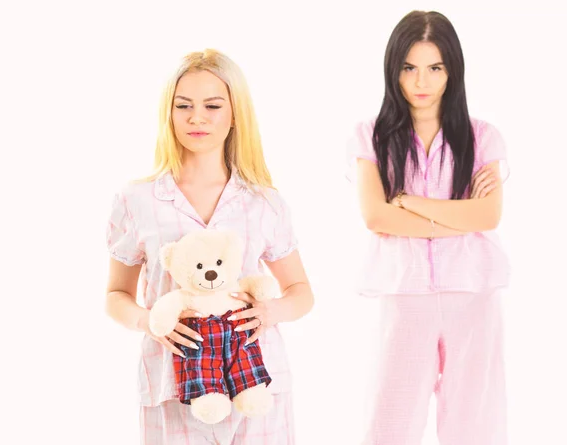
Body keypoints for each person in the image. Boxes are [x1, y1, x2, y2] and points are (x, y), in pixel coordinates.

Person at [105, 48, 313, 445]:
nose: (196, 117)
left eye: (212, 105)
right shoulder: (137, 200)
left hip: (257, 386)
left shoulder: (263, 202)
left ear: (235, 115)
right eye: (183, 106)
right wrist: (147, 320)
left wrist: (269, 312)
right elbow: (116, 295)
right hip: (173, 387)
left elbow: (302, 293)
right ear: (169, 113)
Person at [346, 11, 510, 445]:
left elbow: (488, 217)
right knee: (391, 423)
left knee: (474, 425)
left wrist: (411, 204)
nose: (422, 81)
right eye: (409, 67)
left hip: (472, 295)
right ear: (393, 70)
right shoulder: (370, 137)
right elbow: (376, 217)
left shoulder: (483, 137)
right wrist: (458, 212)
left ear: (451, 70)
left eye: (435, 67)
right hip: (406, 295)